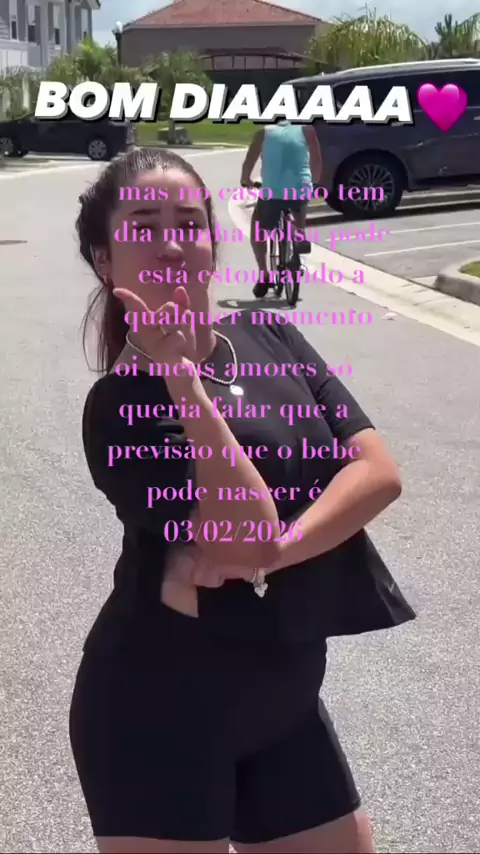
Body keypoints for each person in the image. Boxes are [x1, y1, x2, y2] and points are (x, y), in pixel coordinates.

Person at [70, 147, 415, 854]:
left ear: (211, 240)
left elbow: (378, 473)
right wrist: (183, 384)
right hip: (156, 709)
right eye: (143, 225)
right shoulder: (119, 406)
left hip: (286, 696)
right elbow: (242, 537)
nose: (171, 242)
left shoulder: (270, 334)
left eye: (187, 222)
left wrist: (277, 555)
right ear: (105, 259)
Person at [240, 121, 322, 298]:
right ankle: (299, 238)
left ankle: (264, 274)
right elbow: (316, 160)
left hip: (273, 192)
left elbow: (248, 163)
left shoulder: (263, 133)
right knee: (299, 207)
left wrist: (246, 179)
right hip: (300, 189)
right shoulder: (307, 130)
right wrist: (313, 182)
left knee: (258, 229)